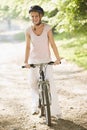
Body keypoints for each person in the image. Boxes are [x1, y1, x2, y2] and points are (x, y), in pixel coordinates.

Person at [24, 5, 61, 118]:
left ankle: (54, 111)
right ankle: (35, 106)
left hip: (46, 60)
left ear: (41, 16)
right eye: (32, 16)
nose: (34, 18)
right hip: (33, 60)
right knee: (33, 83)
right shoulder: (28, 30)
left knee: (52, 85)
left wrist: (57, 58)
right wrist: (26, 62)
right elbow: (28, 47)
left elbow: (52, 44)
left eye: (36, 16)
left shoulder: (47, 28)